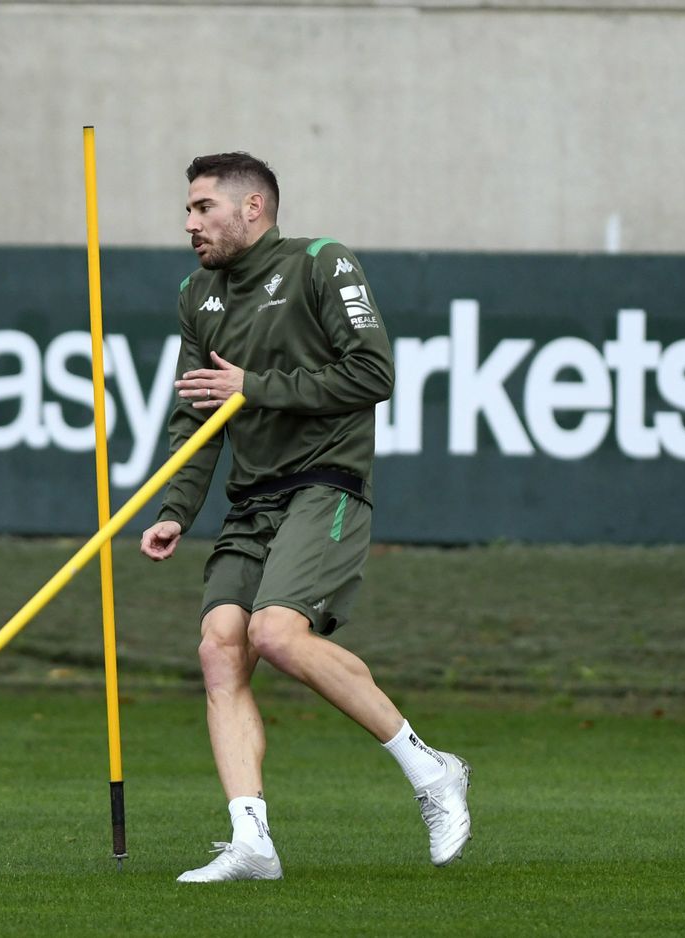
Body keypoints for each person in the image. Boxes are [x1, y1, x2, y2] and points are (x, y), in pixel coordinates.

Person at [139, 152, 471, 882]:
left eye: (202, 208)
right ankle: (251, 840)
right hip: (251, 501)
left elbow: (372, 373)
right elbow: (197, 411)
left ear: (252, 207)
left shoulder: (323, 263)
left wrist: (253, 386)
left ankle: (433, 770)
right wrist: (175, 508)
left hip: (326, 485)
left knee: (275, 632)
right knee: (219, 648)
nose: (189, 222)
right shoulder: (198, 293)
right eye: (188, 209)